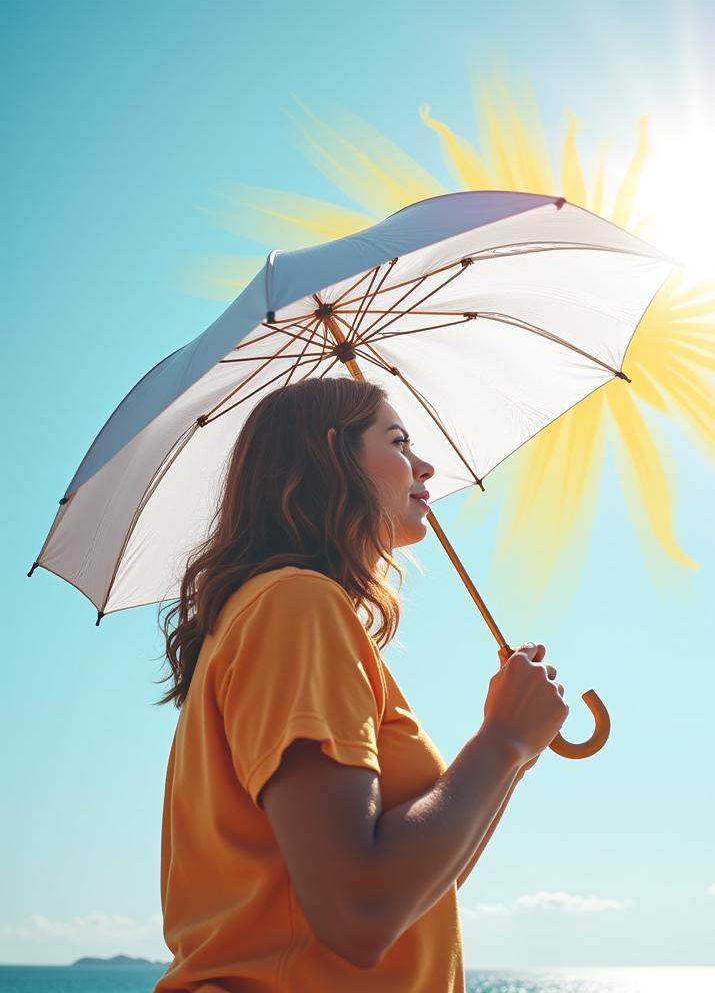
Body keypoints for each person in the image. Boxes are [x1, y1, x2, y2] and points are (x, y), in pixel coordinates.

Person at [152, 376, 568, 992]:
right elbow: (359, 913)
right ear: (331, 455)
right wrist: (501, 740)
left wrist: (512, 754)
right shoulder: (295, 606)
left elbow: (416, 893)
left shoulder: (280, 612)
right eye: (398, 441)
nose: (425, 464)